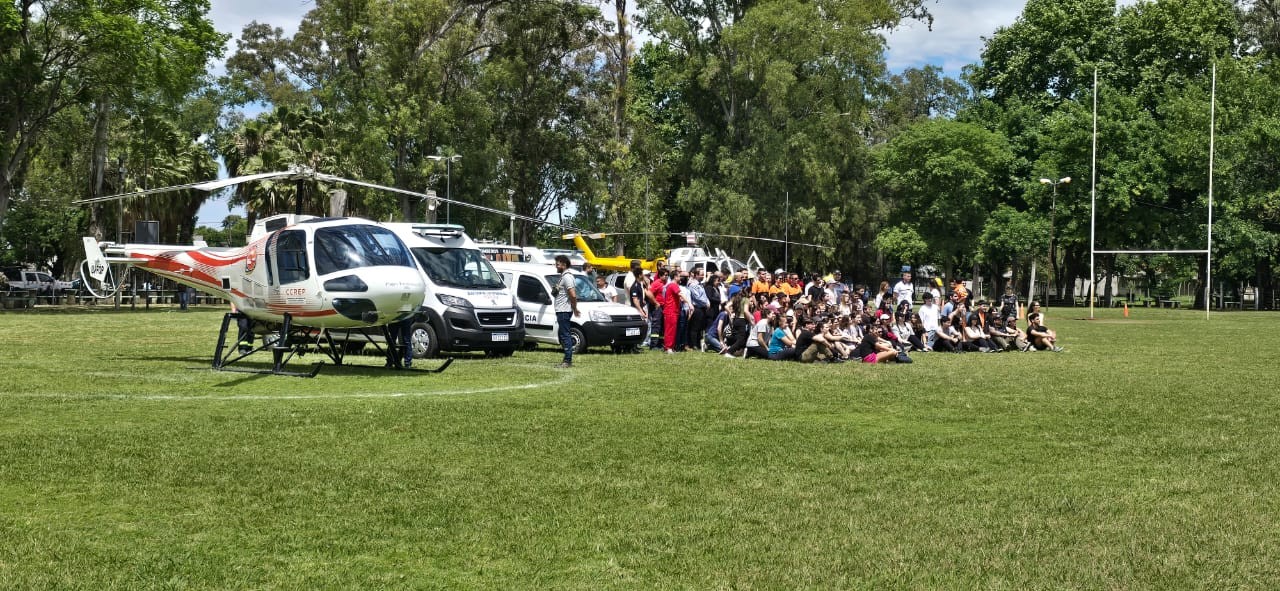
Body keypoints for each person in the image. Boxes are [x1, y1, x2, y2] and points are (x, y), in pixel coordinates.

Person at [553, 255, 580, 368]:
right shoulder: (563, 276)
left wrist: (575, 308)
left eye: (558, 264)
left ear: (564, 265)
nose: (556, 266)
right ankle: (566, 359)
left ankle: (567, 361)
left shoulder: (567, 277)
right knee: (563, 334)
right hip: (561, 310)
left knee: (565, 335)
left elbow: (573, 295)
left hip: (564, 310)